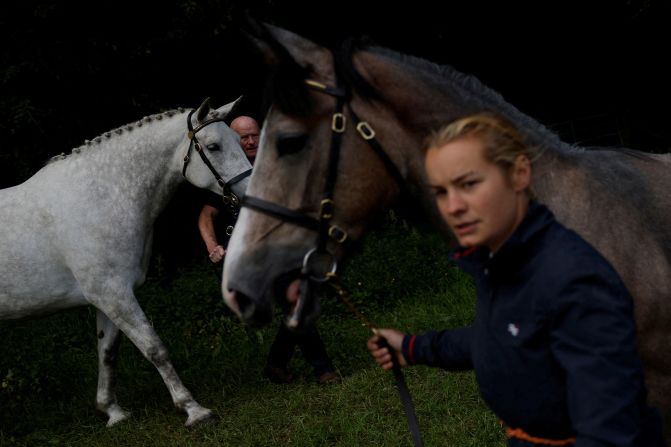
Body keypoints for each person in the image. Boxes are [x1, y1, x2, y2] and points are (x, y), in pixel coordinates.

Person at [367, 112, 666, 446]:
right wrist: (413, 347)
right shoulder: (502, 261)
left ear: (520, 173)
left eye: (469, 184)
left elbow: (610, 432)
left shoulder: (573, 280)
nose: (452, 206)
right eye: (440, 192)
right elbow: (505, 336)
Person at [198, 115, 340, 385]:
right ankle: (323, 369)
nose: (250, 141)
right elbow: (206, 216)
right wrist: (212, 246)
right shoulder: (224, 174)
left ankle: (277, 364)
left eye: (254, 135)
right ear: (232, 139)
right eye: (243, 137)